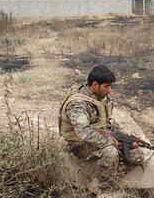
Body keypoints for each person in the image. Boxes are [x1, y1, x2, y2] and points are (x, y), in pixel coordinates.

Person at [58, 65, 143, 197]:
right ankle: (105, 191)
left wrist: (124, 139)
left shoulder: (100, 97)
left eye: (110, 86)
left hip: (98, 136)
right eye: (106, 86)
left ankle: (99, 180)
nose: (109, 90)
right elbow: (83, 132)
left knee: (137, 155)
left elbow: (105, 123)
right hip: (76, 143)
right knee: (110, 152)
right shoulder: (77, 103)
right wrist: (109, 141)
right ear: (95, 84)